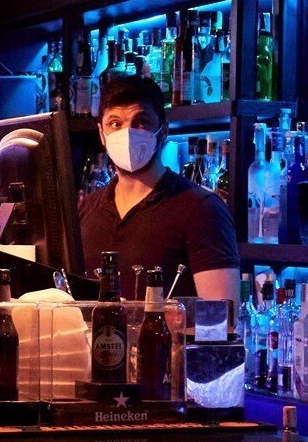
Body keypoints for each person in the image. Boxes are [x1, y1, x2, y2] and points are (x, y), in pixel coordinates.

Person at [77, 75, 239, 303]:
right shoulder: (87, 210)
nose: (127, 133)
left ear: (163, 130)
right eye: (115, 124)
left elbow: (221, 315)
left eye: (141, 122)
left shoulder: (202, 209)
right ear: (101, 135)